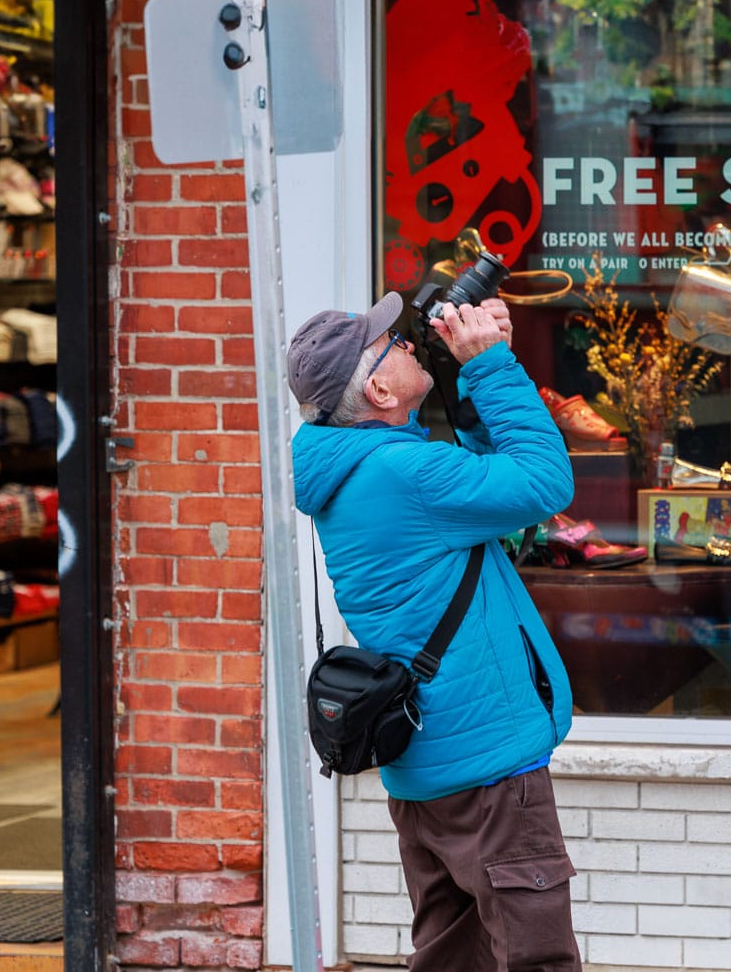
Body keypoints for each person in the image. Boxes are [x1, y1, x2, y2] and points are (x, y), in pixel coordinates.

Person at [288, 292, 580, 972]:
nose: (411, 343)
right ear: (380, 388)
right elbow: (542, 482)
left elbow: (488, 489)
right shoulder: (402, 472)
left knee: (454, 957)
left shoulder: (363, 469)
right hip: (487, 768)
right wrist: (493, 367)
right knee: (535, 959)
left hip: (430, 767)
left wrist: (481, 371)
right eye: (393, 344)